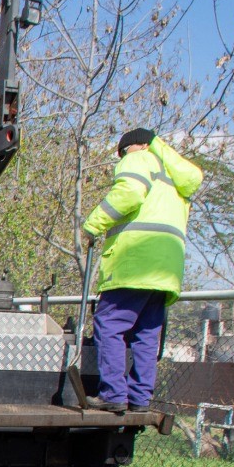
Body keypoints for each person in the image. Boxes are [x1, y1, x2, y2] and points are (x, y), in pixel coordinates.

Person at [81, 127, 203, 412]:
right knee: (146, 334)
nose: (121, 159)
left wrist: (92, 225)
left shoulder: (139, 159)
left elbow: (130, 193)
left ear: (133, 147)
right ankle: (139, 398)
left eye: (121, 153)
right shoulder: (175, 177)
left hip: (135, 261)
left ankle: (112, 394)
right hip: (166, 271)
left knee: (109, 325)